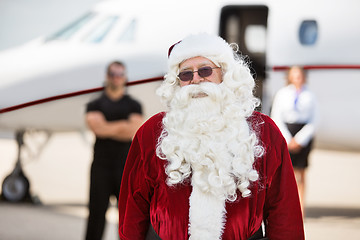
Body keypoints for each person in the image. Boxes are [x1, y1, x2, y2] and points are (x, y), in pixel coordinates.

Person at [118, 33, 304, 240]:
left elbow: (284, 212)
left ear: (225, 75)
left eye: (205, 70)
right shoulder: (152, 132)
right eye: (186, 74)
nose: (196, 79)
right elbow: (132, 209)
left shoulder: (264, 131)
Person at [85, 61, 143, 240]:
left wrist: (107, 127)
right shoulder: (95, 103)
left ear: (125, 77)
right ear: (107, 76)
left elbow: (133, 131)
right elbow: (97, 129)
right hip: (100, 167)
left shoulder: (134, 105)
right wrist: (123, 125)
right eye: (112, 74)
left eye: (120, 74)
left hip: (125, 168)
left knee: (126, 218)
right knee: (96, 215)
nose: (116, 78)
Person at [270, 66, 318, 215]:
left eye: (299, 75)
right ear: (290, 77)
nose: (297, 77)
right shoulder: (282, 94)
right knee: (284, 173)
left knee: (301, 173)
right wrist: (288, 139)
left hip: (303, 135)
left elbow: (315, 119)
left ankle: (301, 207)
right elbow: (276, 116)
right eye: (294, 75)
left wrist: (300, 139)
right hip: (287, 133)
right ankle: (285, 207)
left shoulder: (310, 95)